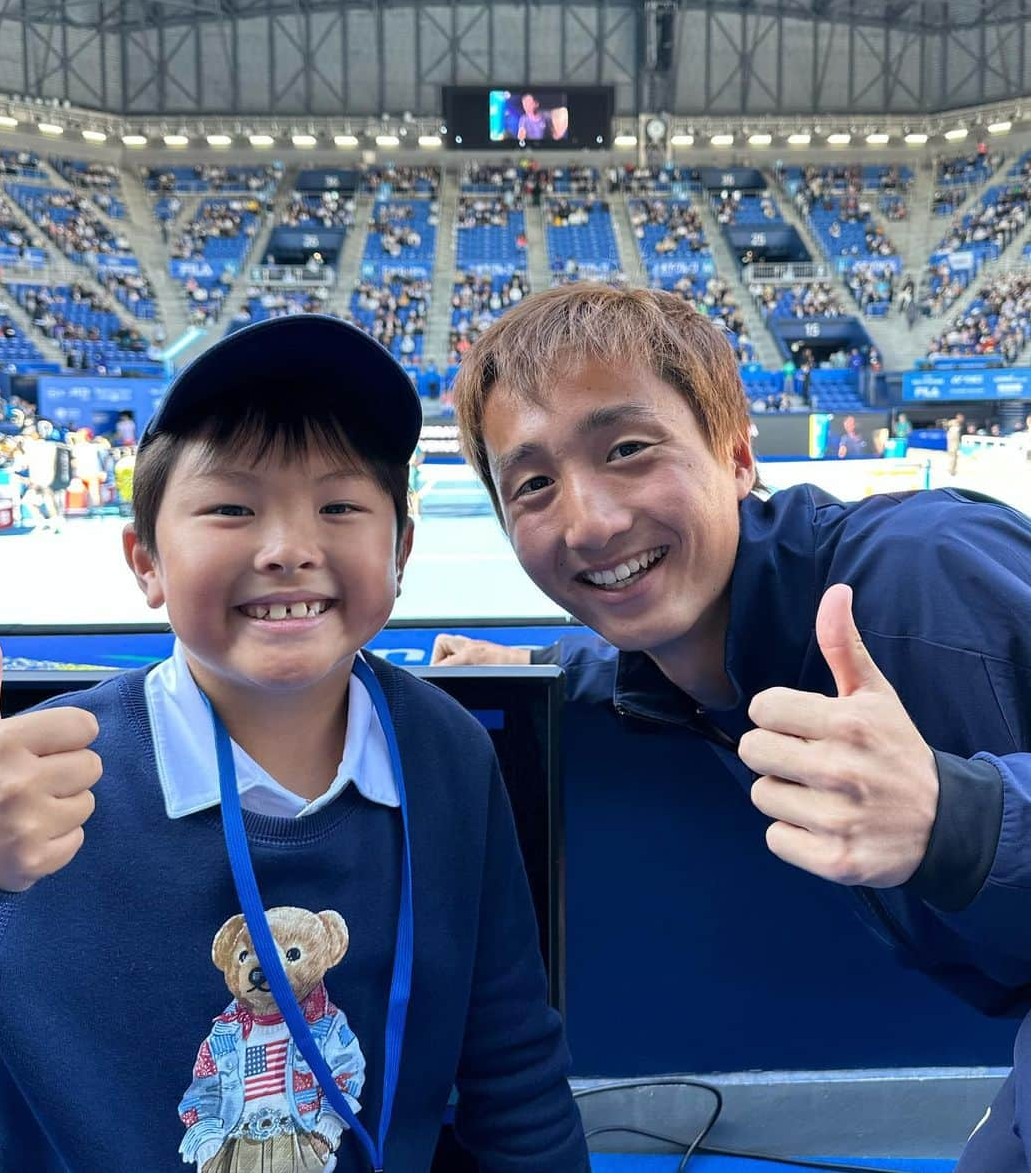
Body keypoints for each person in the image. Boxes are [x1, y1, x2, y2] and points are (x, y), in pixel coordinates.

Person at [0, 316, 587, 1171]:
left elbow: (511, 1068)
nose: (289, 548)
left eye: (339, 505)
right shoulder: (30, 781)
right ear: (146, 561)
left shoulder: (448, 757)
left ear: (399, 550)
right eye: (231, 508)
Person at [436, 282, 1031, 1171]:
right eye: (533, 486)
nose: (590, 522)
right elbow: (656, 670)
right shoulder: (690, 659)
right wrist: (538, 670)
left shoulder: (927, 574)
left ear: (738, 456)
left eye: (629, 449)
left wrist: (963, 817)